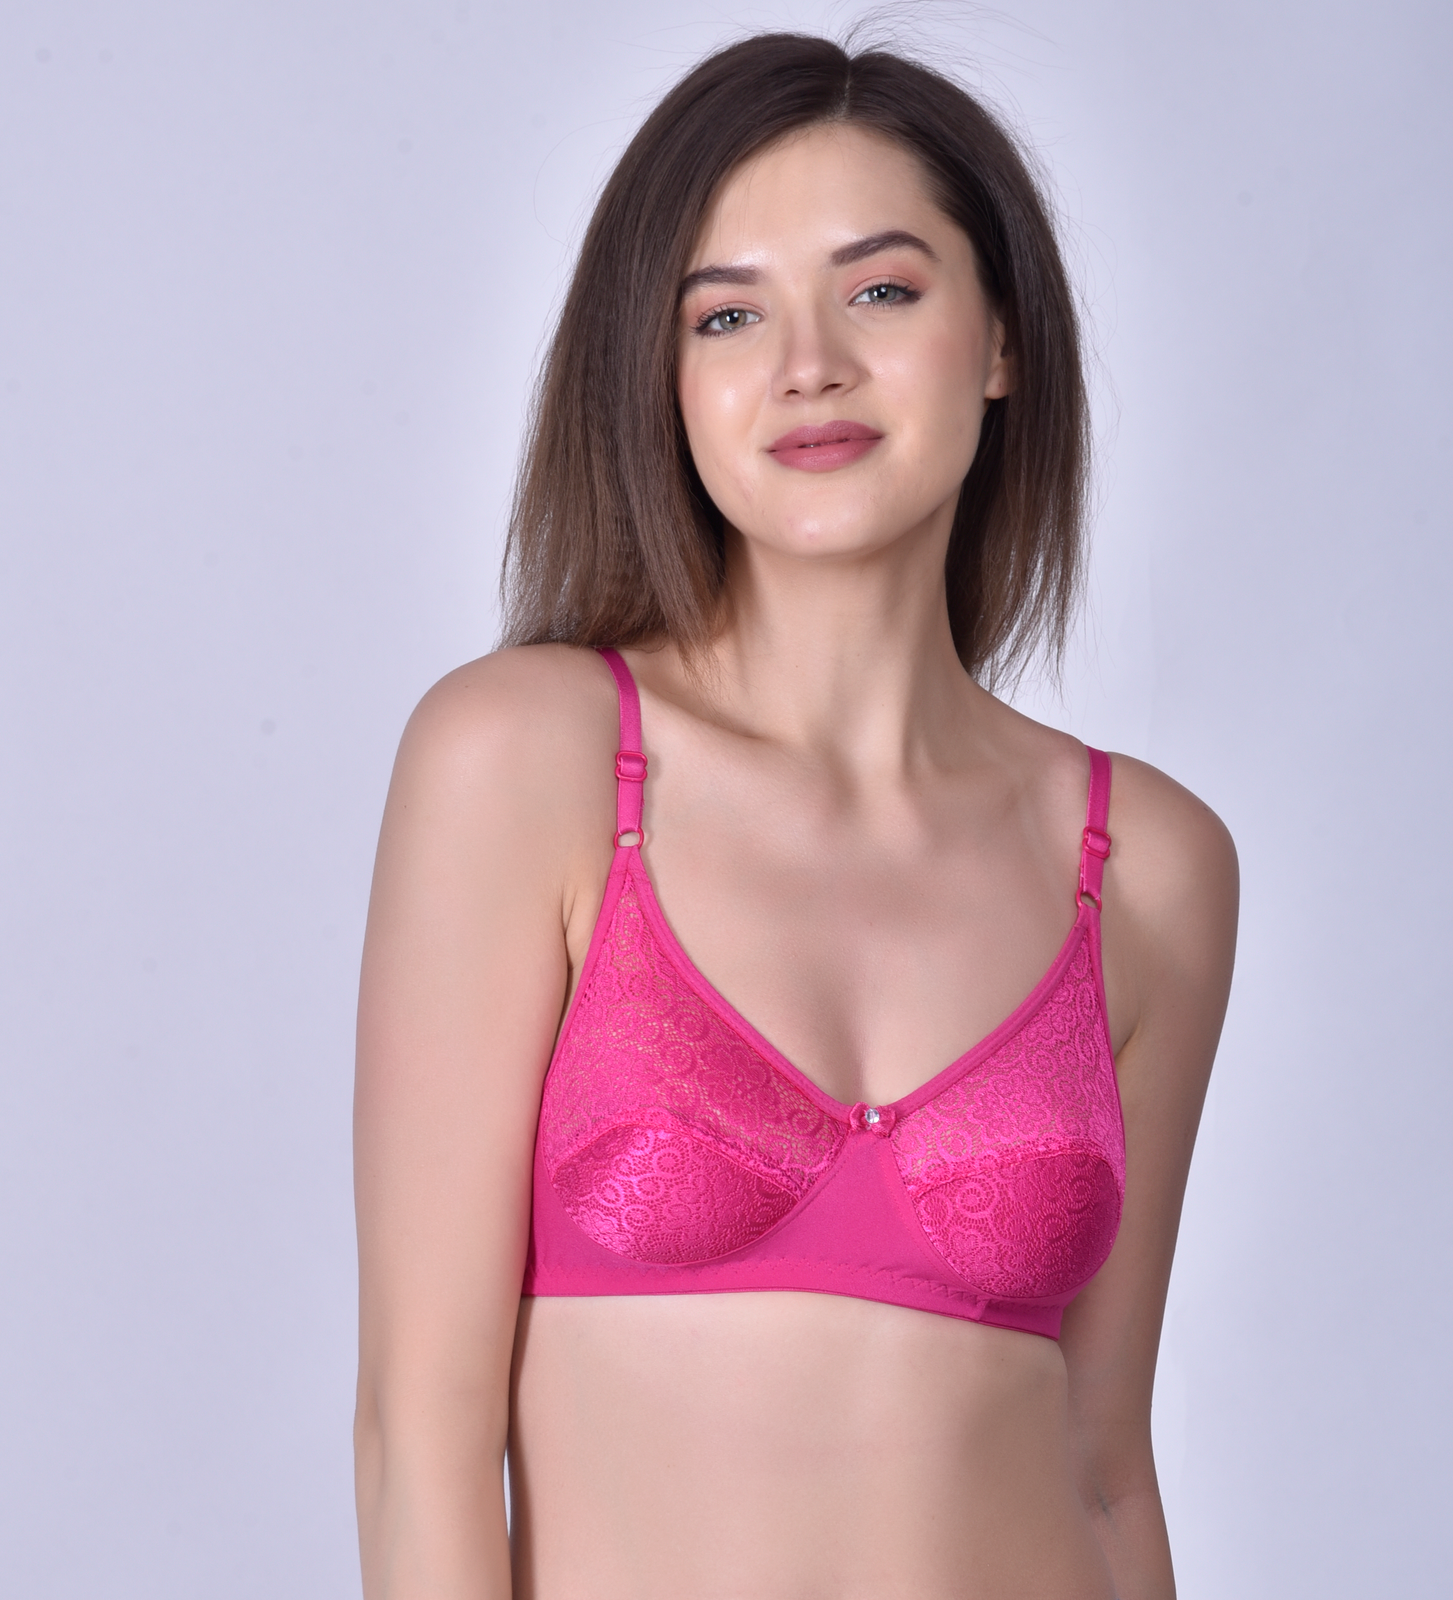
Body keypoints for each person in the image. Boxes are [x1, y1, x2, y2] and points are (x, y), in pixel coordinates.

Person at [353, 31, 1237, 1600]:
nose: (808, 364)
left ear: (1001, 341)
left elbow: (1104, 1466)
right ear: (666, 381)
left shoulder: (1148, 864)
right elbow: (420, 1433)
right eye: (728, 314)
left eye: (880, 291)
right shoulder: (530, 763)